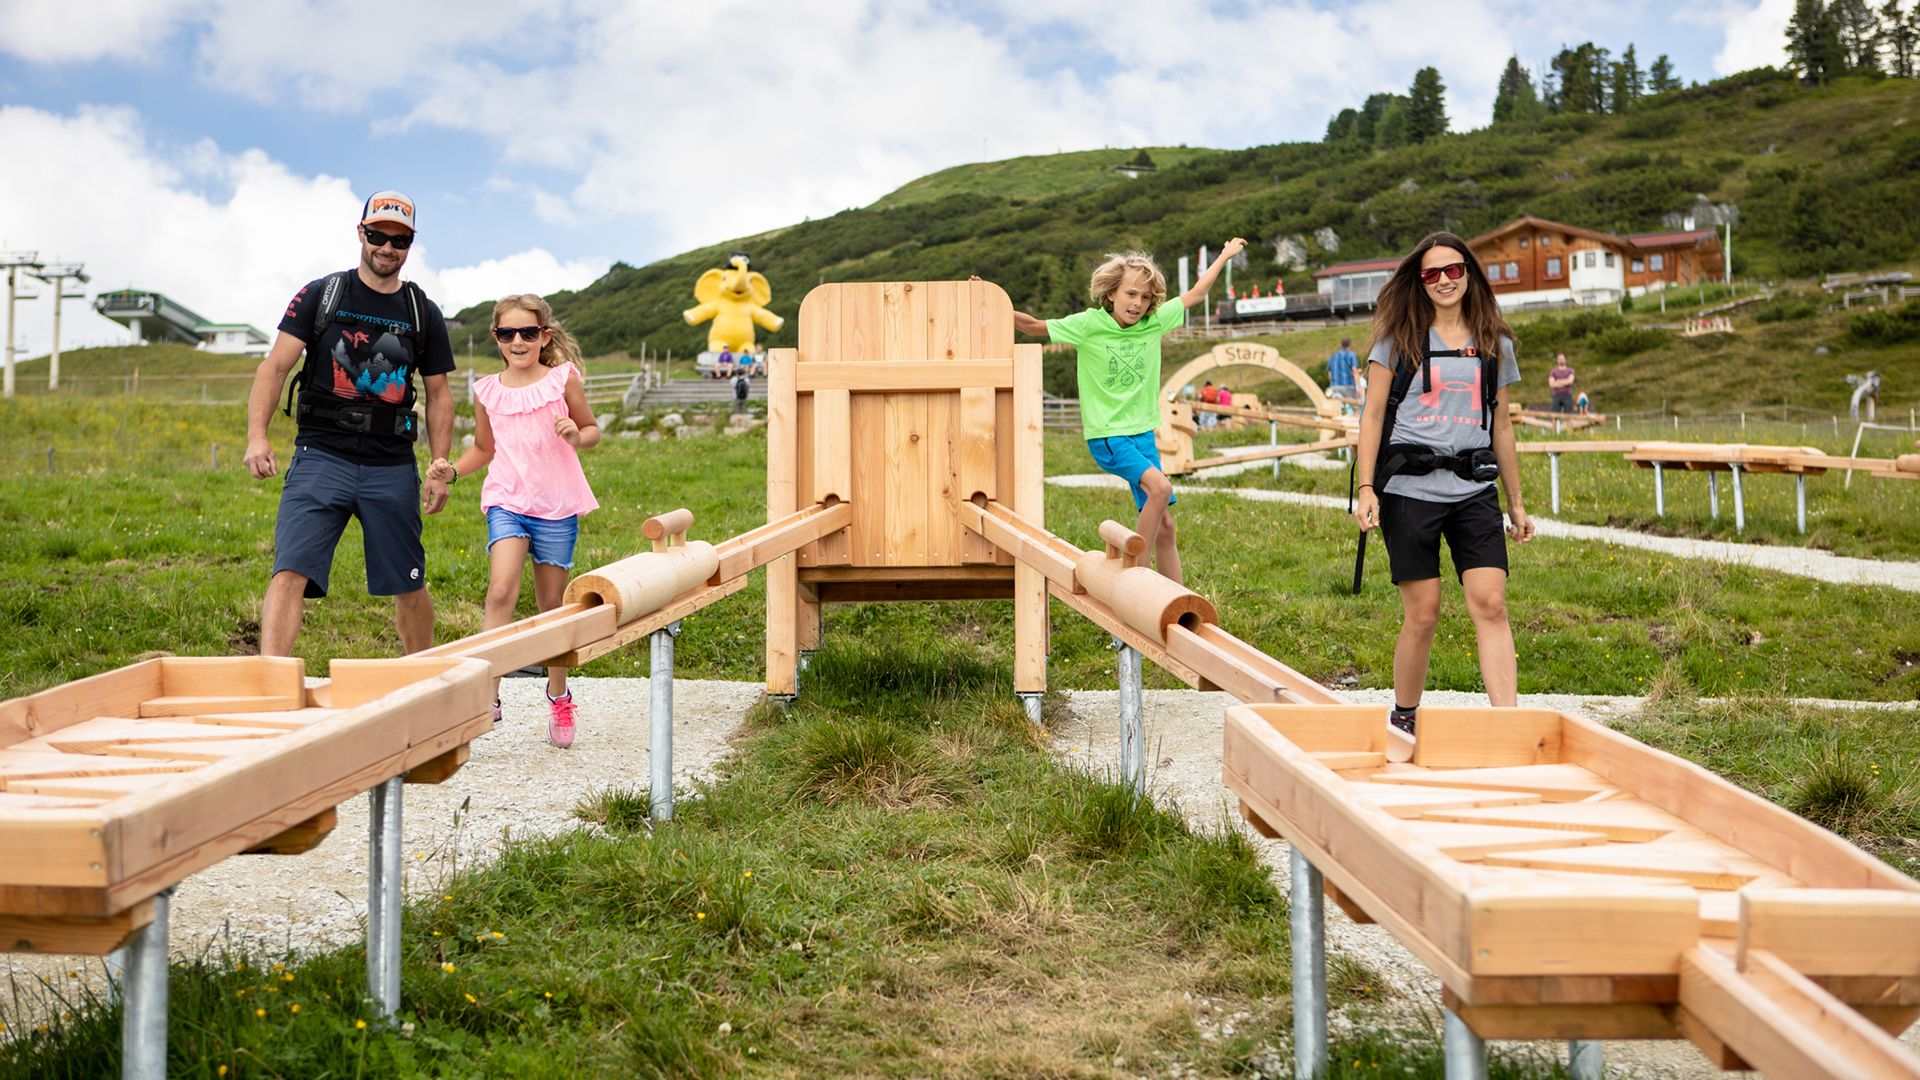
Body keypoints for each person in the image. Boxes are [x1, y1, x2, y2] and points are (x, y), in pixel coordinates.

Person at [243, 190, 456, 659]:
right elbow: (274, 367)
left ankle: (419, 676)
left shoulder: (423, 312)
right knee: (289, 572)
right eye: (378, 235)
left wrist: (440, 461)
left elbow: (440, 394)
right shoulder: (322, 294)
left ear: (410, 245)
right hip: (321, 456)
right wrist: (257, 437)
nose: (387, 247)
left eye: (399, 240)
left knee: (409, 583)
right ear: (361, 233)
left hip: (391, 466)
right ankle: (270, 681)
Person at [1350, 231, 1534, 738]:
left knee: (1491, 603)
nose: (1444, 281)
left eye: (1453, 270)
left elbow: (1502, 425)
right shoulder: (1397, 341)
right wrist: (1367, 490)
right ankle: (1404, 713)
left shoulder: (1496, 343)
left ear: (1469, 273)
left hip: (1474, 489)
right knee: (1424, 613)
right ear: (1420, 281)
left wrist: (1516, 504)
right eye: (1432, 273)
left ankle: (1508, 728)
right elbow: (1370, 419)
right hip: (1409, 491)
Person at [1004, 238, 1247, 584]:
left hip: (1141, 433)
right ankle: (1136, 581)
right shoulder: (1088, 325)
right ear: (1111, 295)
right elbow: (1032, 326)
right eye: (1131, 294)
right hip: (1108, 435)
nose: (1137, 303)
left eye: (1145, 297)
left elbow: (1195, 294)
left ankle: (1174, 602)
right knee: (1160, 490)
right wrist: (987, 302)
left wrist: (1224, 255)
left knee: (1165, 526)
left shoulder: (1154, 323)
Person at [430, 294, 600, 748]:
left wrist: (576, 435)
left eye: (528, 332)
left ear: (544, 335)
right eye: (508, 333)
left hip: (556, 506)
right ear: (497, 339)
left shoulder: (563, 381)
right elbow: (484, 450)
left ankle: (558, 694)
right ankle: (489, 698)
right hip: (507, 499)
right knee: (500, 590)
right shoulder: (487, 390)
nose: (518, 341)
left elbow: (592, 429)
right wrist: (452, 470)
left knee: (552, 607)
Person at [1327, 337, 1359, 405]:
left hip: (1334, 387)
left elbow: (1330, 375)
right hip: (1348, 387)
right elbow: (1355, 371)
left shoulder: (1333, 356)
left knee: (1338, 408)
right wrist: (1358, 387)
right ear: (1350, 344)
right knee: (1354, 407)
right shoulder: (1351, 355)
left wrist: (1333, 385)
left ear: (1341, 345)